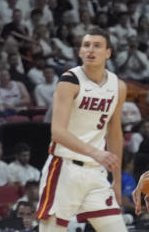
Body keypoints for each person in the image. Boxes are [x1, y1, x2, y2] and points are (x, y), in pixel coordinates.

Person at [35, 28, 126, 232]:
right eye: (86, 45)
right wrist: (96, 152)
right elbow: (58, 132)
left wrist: (117, 181)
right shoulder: (69, 81)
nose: (90, 50)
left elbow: (115, 132)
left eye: (97, 45)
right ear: (79, 52)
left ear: (108, 53)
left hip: (96, 173)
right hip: (64, 169)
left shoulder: (118, 86)